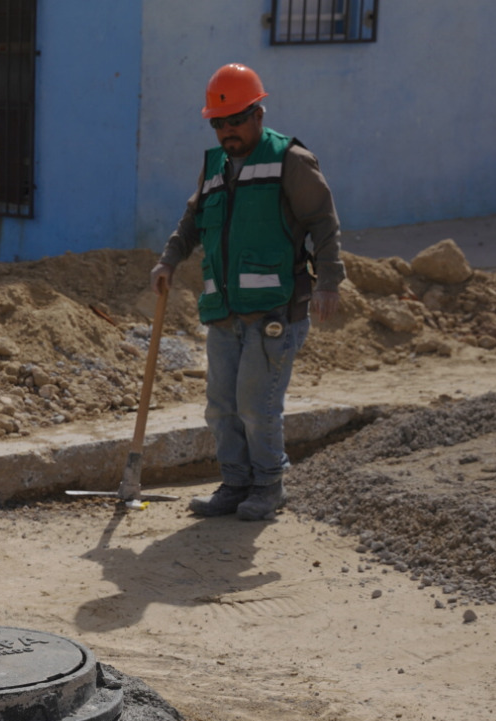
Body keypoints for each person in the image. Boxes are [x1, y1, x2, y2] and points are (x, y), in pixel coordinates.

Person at [151, 62, 343, 521]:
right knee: (221, 408)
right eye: (218, 123)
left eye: (235, 120)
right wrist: (169, 259)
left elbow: (323, 222)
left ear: (258, 113)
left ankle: (268, 485)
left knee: (257, 407)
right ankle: (235, 483)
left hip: (275, 310)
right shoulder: (215, 166)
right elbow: (192, 222)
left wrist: (331, 280)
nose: (226, 132)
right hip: (225, 311)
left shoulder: (290, 161)